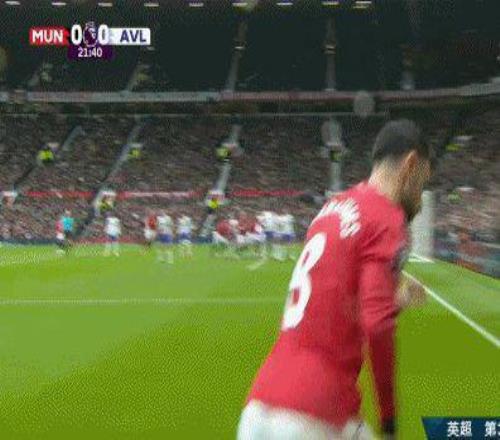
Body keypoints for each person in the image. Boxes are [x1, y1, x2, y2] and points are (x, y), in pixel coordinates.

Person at [238, 120, 432, 440]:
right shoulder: (386, 217)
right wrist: (389, 420)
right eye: (422, 182)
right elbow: (377, 326)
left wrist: (393, 299)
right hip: (315, 414)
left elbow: (333, 299)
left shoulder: (332, 208)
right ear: (411, 164)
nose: (420, 198)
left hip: (258, 409)